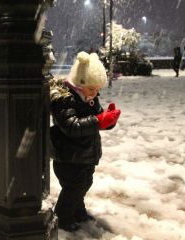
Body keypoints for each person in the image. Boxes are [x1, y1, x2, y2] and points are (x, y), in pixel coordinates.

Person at [49, 51, 121, 232]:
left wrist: (108, 121)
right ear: (79, 84)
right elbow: (71, 126)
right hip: (69, 156)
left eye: (98, 89)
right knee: (73, 187)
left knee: (84, 184)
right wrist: (98, 121)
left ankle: (78, 210)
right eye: (92, 88)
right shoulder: (65, 100)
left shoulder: (89, 97)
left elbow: (97, 120)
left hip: (85, 154)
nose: (95, 93)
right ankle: (63, 217)